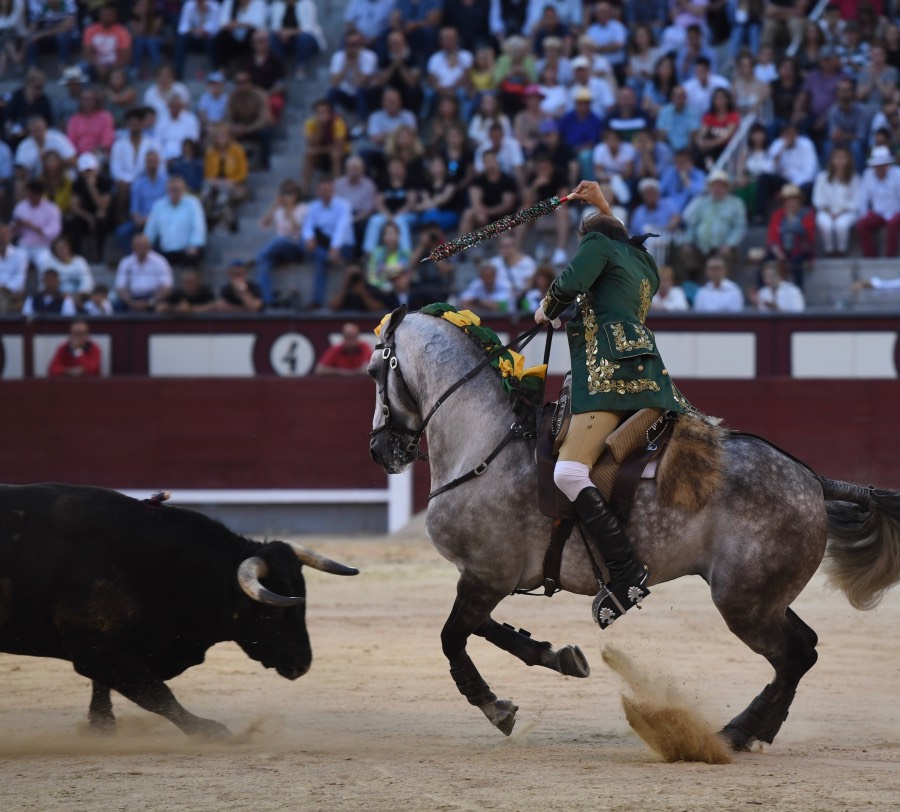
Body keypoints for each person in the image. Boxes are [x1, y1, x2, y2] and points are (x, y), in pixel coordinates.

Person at [533, 179, 692, 628]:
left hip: (607, 374)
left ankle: (624, 571)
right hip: (647, 373)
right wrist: (602, 206)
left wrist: (548, 306)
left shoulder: (597, 245)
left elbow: (572, 280)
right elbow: (617, 240)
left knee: (567, 471)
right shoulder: (643, 261)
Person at [301, 176, 354, 309]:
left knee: (320, 259)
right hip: (322, 245)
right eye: (321, 190)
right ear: (318, 192)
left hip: (343, 244)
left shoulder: (343, 205)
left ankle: (316, 301)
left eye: (327, 189)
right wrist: (309, 238)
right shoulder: (312, 206)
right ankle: (331, 259)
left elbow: (342, 228)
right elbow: (307, 226)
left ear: (333, 191)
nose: (324, 192)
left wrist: (335, 247)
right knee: (304, 243)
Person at [255, 178, 307, 306]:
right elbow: (262, 224)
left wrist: (289, 210)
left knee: (281, 240)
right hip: (278, 249)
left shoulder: (303, 208)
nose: (286, 195)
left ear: (297, 195)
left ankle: (259, 255)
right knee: (263, 264)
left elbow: (299, 229)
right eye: (284, 192)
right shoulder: (278, 210)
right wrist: (274, 205)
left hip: (295, 248)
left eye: (290, 192)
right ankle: (268, 301)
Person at [143, 176, 207, 268]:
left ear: (184, 189)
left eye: (177, 189)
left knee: (192, 259)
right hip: (165, 250)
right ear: (167, 190)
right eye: (172, 189)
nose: (175, 192)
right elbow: (151, 229)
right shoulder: (158, 205)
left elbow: (198, 227)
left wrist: (195, 245)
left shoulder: (193, 203)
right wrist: (147, 244)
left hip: (187, 249)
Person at [856, 144, 900, 257]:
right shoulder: (867, 175)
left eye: (883, 165)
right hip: (877, 213)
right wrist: (864, 215)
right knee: (861, 225)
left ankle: (890, 258)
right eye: (877, 165)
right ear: (873, 166)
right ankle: (870, 258)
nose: (880, 168)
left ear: (887, 165)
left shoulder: (897, 174)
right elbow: (863, 199)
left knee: (892, 224)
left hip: (896, 212)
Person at [113, 232, 173, 312]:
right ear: (132, 247)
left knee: (163, 307)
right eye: (138, 246)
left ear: (149, 246)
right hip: (132, 298)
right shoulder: (126, 262)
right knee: (115, 306)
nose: (141, 248)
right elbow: (120, 287)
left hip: (154, 298)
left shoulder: (160, 261)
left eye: (143, 246)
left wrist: (150, 302)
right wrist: (131, 303)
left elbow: (166, 288)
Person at [11, 177, 61, 264]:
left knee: (44, 262)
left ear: (39, 194)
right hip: (24, 245)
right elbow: (12, 232)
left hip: (42, 247)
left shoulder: (52, 209)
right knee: (17, 260)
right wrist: (17, 225)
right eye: (28, 194)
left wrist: (32, 226)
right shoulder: (20, 207)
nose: (29, 197)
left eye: (32, 195)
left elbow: (53, 233)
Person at [0, 220, 28, 313]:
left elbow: (20, 278)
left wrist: (6, 288)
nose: (3, 237)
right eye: (1, 234)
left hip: (11, 293)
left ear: (10, 236)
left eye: (5, 234)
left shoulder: (20, 254)